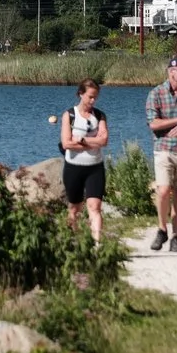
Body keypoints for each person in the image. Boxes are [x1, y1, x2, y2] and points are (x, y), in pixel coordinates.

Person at [143, 55, 177, 253]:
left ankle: (175, 236)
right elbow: (154, 124)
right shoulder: (156, 93)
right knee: (163, 191)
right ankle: (162, 228)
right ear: (172, 72)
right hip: (163, 148)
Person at [57, 78, 111, 243]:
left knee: (95, 207)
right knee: (75, 208)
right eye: (90, 97)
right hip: (73, 168)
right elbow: (66, 143)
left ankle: (97, 245)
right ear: (81, 94)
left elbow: (104, 140)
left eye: (95, 97)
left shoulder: (99, 116)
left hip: (95, 168)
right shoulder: (69, 115)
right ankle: (73, 242)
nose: (93, 101)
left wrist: (82, 140)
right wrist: (93, 142)